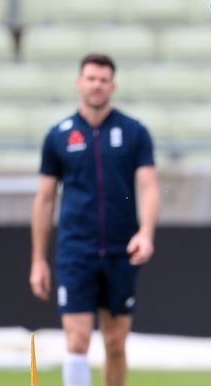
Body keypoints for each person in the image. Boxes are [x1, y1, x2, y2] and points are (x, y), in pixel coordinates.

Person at [29, 53, 160, 386]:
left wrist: (145, 233)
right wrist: (38, 260)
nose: (97, 85)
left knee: (115, 343)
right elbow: (44, 200)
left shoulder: (134, 132)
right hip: (76, 252)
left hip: (121, 251)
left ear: (112, 86)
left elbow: (148, 186)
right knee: (77, 341)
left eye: (103, 80)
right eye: (91, 78)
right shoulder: (59, 135)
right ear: (79, 83)